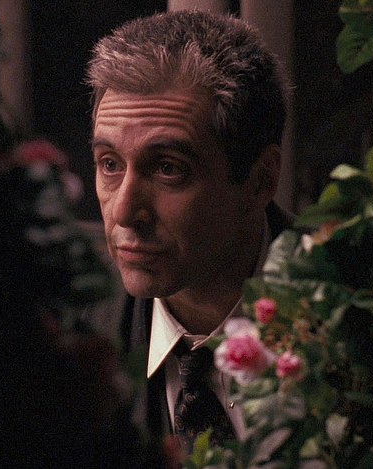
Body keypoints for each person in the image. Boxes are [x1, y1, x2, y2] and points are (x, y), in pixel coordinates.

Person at [84, 9, 294, 459]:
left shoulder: (361, 316)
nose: (124, 211)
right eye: (109, 164)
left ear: (261, 181)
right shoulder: (74, 333)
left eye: (168, 168)